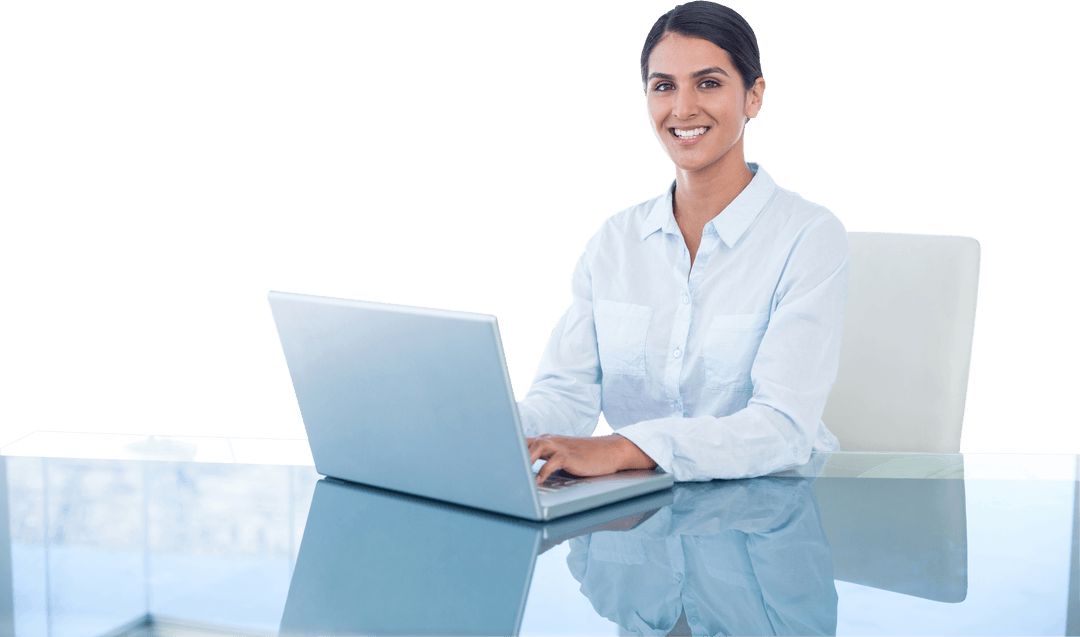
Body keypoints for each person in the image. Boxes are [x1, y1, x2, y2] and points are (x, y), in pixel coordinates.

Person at [520, 0, 848, 483]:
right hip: (639, 517)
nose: (683, 108)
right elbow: (566, 394)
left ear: (754, 97)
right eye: (664, 87)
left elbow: (782, 427)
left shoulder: (808, 236)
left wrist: (626, 447)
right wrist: (485, 429)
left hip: (768, 516)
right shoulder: (615, 240)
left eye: (709, 83)